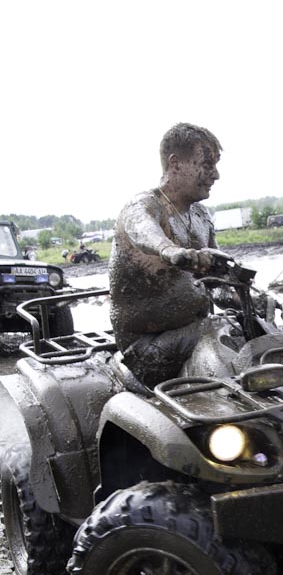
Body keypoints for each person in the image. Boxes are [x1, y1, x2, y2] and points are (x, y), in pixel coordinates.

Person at [109, 122, 227, 387]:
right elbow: (143, 232)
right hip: (146, 352)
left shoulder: (200, 215)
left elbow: (218, 282)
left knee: (249, 328)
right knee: (220, 329)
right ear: (175, 164)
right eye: (207, 164)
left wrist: (250, 300)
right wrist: (170, 250)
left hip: (194, 333)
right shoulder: (144, 206)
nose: (216, 175)